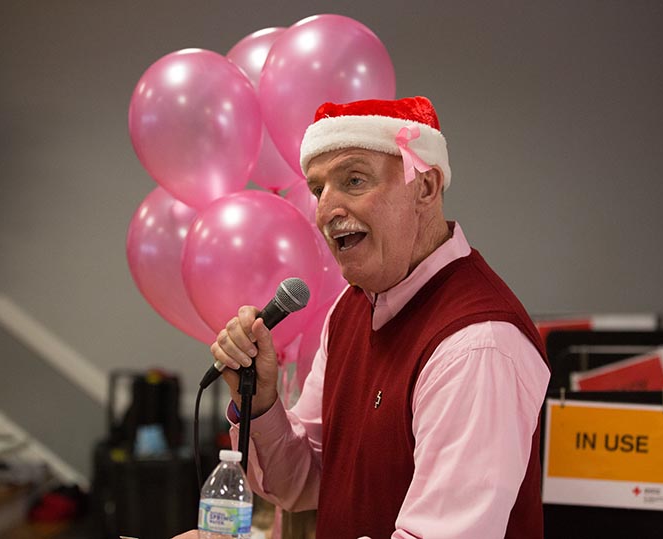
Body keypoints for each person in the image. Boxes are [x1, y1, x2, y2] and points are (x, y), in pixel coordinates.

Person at [178, 96, 550, 539]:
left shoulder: (477, 346)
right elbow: (306, 482)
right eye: (318, 190)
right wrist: (260, 401)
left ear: (426, 188)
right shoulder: (351, 308)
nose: (325, 210)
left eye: (353, 181)